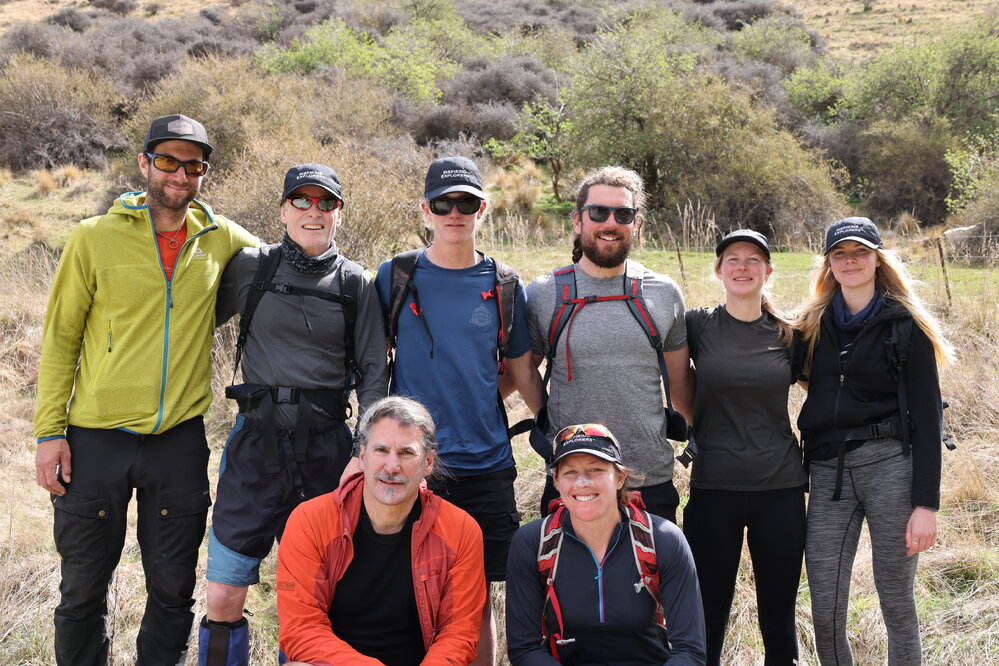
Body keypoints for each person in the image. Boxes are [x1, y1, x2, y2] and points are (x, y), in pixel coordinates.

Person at [33, 114, 257, 665]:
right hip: (95, 438)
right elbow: (61, 338)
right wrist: (48, 432)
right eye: (167, 161)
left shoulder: (222, 237)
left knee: (173, 590)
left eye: (193, 166)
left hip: (178, 440)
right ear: (144, 164)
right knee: (82, 589)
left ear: (204, 173)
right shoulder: (93, 237)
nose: (180, 175)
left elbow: (287, 262)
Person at [198, 164, 389, 664]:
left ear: (339, 214)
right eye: (301, 200)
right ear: (283, 210)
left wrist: (363, 452)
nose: (313, 211)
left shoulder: (356, 283)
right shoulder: (252, 267)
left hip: (326, 452)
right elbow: (192, 320)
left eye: (326, 203)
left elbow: (374, 372)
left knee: (314, 599)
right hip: (253, 445)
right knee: (224, 592)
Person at [369, 155, 542, 664]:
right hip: (411, 465)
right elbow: (373, 365)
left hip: (486, 463)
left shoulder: (504, 284)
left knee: (476, 596)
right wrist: (365, 448)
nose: (454, 213)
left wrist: (558, 435)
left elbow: (522, 372)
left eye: (466, 203)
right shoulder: (396, 276)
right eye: (443, 204)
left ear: (482, 209)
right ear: (426, 210)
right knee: (407, 591)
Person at [796, 217, 953, 665]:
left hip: (891, 469)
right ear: (829, 263)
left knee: (897, 604)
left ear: (877, 259)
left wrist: (926, 506)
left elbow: (928, 420)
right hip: (829, 473)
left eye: (860, 252)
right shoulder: (811, 325)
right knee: (825, 610)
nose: (851, 261)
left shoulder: (905, 325)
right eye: (840, 254)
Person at [526, 166, 693, 522]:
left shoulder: (664, 293)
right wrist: (553, 424)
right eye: (599, 212)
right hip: (573, 482)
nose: (611, 223)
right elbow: (523, 369)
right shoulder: (544, 294)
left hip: (648, 480)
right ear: (577, 221)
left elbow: (680, 383)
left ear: (638, 223)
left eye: (623, 214)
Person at [276, 396, 486, 664]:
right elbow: (301, 629)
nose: (392, 466)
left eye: (406, 453)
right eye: (381, 450)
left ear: (428, 462)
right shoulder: (310, 521)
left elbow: (458, 635)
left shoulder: (461, 530)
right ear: (363, 457)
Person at [682, 230, 807, 665]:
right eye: (732, 259)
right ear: (718, 270)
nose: (742, 266)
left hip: (780, 488)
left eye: (753, 259)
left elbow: (823, 392)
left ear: (768, 271)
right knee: (708, 612)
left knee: (779, 615)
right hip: (714, 487)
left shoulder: (791, 334)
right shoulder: (697, 325)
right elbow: (677, 384)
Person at [505, 423, 706, 665]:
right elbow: (524, 649)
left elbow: (690, 651)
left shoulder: (662, 539)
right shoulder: (534, 543)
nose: (582, 482)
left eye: (596, 470)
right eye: (570, 472)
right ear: (556, 481)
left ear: (620, 478)